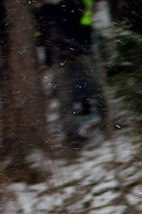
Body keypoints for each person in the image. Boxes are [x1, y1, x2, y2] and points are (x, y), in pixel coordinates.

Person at [40, 0, 106, 148]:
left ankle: (106, 122)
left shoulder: (73, 4)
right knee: (65, 98)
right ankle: (72, 135)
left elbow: (83, 17)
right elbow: (40, 34)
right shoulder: (45, 9)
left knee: (96, 88)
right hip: (59, 56)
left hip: (79, 51)